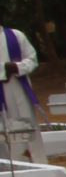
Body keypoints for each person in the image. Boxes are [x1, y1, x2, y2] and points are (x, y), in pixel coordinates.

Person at [0, 16, 44, 163]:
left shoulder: (16, 36)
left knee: (27, 125)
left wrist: (17, 67)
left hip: (17, 87)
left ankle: (39, 164)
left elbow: (32, 59)